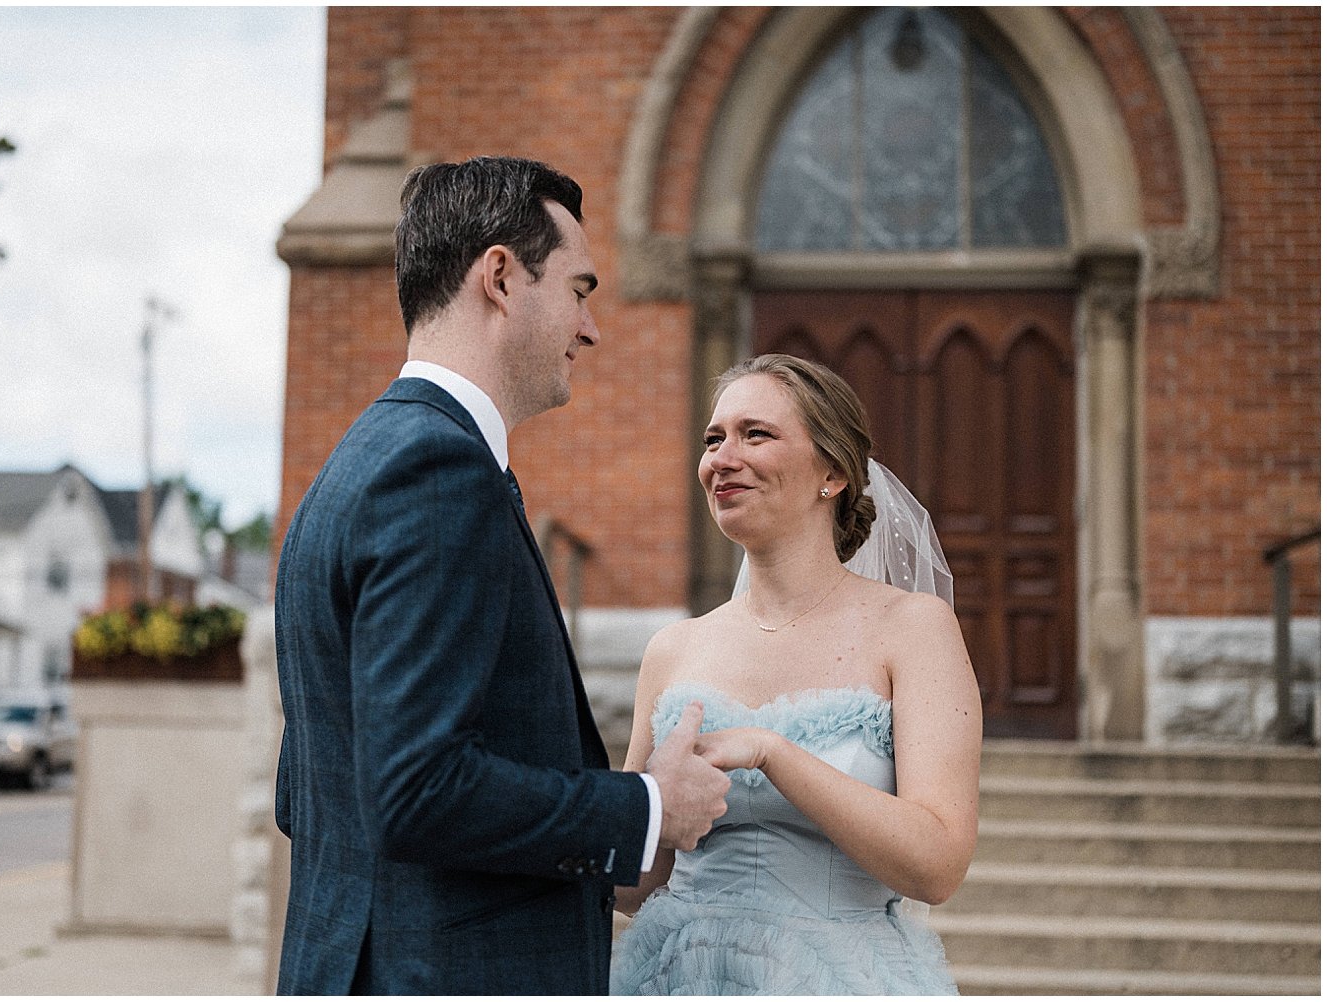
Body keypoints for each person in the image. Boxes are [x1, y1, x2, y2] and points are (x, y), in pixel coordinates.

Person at [273, 156, 730, 995]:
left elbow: (306, 792)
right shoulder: (439, 474)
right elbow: (415, 789)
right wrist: (648, 807)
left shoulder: (356, 466)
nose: (590, 329)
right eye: (579, 290)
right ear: (500, 277)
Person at [611, 353, 981, 995]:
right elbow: (634, 880)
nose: (722, 458)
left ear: (832, 472)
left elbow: (937, 865)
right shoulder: (673, 649)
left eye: (755, 433)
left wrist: (772, 754)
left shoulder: (913, 628)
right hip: (677, 973)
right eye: (713, 439)